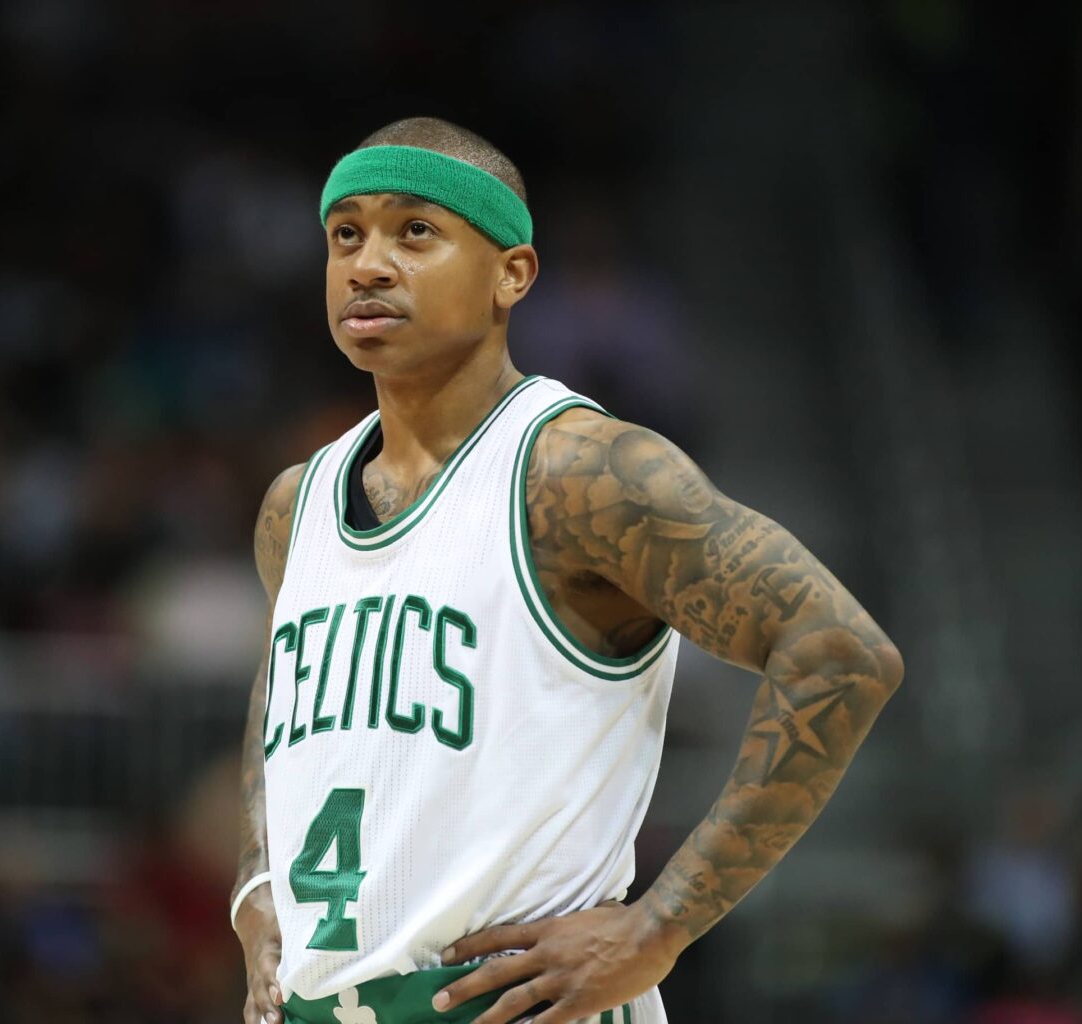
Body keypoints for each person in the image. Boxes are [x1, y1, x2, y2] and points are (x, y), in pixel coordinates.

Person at [230, 117, 904, 1024]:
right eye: (346, 234)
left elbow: (841, 651)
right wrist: (256, 878)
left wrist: (658, 926)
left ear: (513, 273)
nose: (369, 264)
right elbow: (282, 694)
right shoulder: (295, 504)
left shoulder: (581, 473)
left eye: (414, 232)